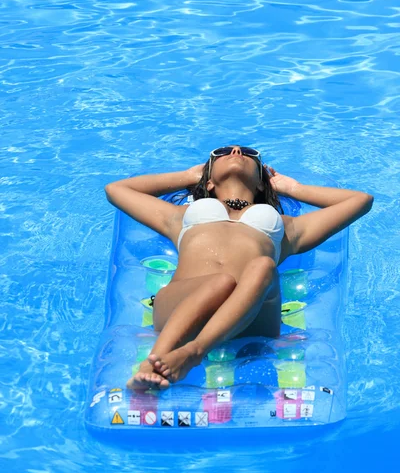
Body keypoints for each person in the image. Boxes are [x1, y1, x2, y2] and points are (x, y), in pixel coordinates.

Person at [105, 145, 373, 391]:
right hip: (181, 309)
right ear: (208, 180)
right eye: (221, 153)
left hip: (251, 316)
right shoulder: (178, 218)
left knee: (263, 265)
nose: (235, 150)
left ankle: (192, 353)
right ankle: (153, 363)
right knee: (220, 281)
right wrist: (188, 176)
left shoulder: (288, 228)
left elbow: (360, 200)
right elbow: (116, 190)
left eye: (249, 153)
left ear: (260, 181)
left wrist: (292, 188)